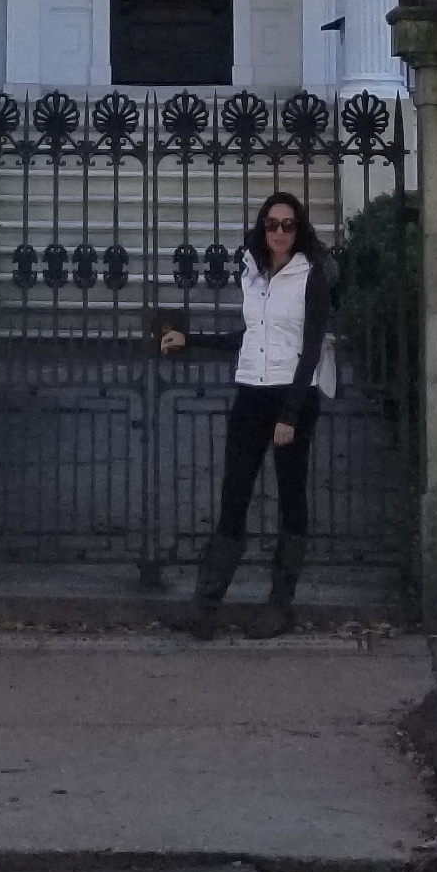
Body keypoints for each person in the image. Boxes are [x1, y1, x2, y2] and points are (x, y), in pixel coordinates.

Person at [165, 189, 335, 637]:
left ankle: (280, 606)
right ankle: (205, 608)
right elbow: (252, 335)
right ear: (262, 228)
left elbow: (311, 347)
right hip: (251, 395)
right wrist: (193, 340)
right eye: (271, 224)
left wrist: (291, 414)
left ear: (299, 231)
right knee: (233, 496)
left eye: (288, 225)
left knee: (291, 497)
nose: (279, 232)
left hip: (292, 397)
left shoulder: (311, 275)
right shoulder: (254, 273)